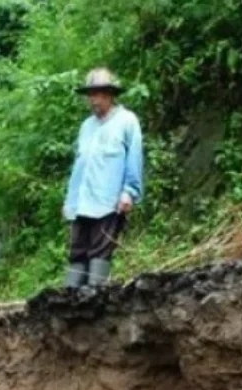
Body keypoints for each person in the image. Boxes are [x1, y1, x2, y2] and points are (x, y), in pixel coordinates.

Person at [62, 67, 144, 289]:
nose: (93, 100)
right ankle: (68, 301)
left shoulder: (127, 121)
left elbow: (134, 159)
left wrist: (129, 192)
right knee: (77, 251)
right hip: (82, 201)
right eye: (90, 95)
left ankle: (94, 299)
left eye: (97, 94)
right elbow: (80, 166)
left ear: (109, 94)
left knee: (100, 250)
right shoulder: (86, 126)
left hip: (108, 201)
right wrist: (70, 201)